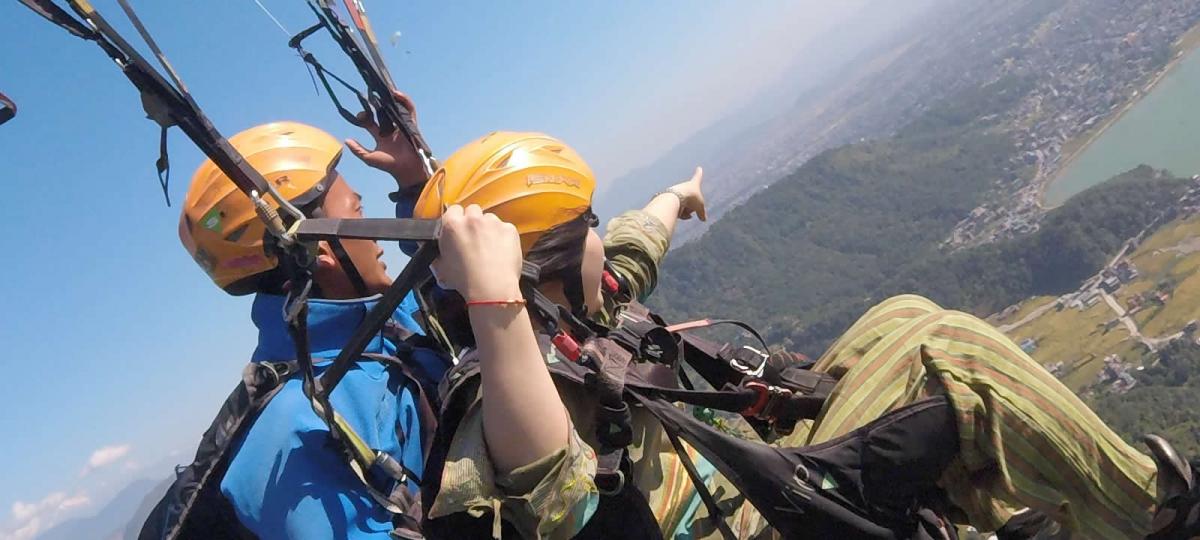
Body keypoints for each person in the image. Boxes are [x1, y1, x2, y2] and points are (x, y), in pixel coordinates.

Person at [397, 130, 1200, 539]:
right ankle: (1159, 515)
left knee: (898, 316)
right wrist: (495, 305)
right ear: (546, 266)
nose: (604, 238)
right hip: (756, 522)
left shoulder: (577, 318)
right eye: (587, 227)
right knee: (947, 353)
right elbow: (552, 490)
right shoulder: (503, 389)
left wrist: (675, 198)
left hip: (759, 490)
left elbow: (629, 254)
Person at [141, 119, 448, 539]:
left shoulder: (377, 322)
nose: (377, 231)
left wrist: (412, 181)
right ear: (321, 250)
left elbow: (439, 285)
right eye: (358, 212)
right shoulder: (293, 435)